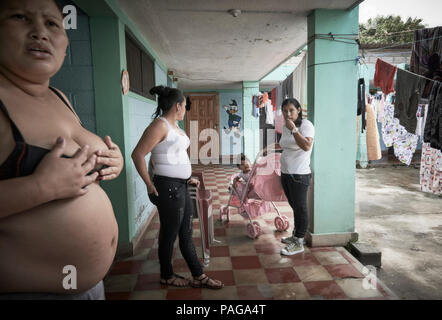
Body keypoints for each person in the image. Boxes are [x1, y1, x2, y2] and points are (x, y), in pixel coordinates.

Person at [0, 0, 124, 299]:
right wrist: (40, 187)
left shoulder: (59, 96)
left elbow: (74, 166)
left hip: (88, 287)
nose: (40, 32)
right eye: (20, 17)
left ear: (66, 44)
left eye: (53, 23)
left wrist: (112, 162)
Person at [132, 86, 223, 289]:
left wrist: (186, 177)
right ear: (177, 106)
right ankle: (168, 275)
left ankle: (198, 275)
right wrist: (149, 183)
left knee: (186, 234)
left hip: (179, 186)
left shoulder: (174, 125)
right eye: (184, 106)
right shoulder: (160, 125)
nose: (185, 109)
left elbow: (169, 155)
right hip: (168, 189)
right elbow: (138, 154)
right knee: (170, 235)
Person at [278, 98, 314, 255]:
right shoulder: (286, 126)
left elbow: (306, 146)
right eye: (285, 111)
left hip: (299, 174)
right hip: (286, 173)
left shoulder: (306, 125)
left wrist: (294, 129)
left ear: (299, 110)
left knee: (301, 208)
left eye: (291, 110)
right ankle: (295, 236)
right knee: (294, 207)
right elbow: (286, 146)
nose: (288, 114)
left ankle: (299, 241)